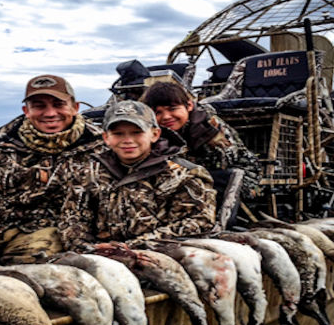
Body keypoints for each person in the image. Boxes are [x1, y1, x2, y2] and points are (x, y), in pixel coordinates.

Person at [0, 75, 104, 267]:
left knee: (34, 263)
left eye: (58, 104)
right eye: (39, 106)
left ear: (75, 108)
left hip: (52, 236)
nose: (50, 113)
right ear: (26, 111)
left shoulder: (101, 147)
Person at [58, 100, 218, 252]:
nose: (128, 140)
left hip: (163, 254)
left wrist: (131, 247)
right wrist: (86, 247)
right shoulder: (88, 172)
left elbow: (200, 222)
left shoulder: (184, 174)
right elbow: (72, 217)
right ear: (106, 138)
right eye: (118, 133)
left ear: (155, 134)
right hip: (100, 255)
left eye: (137, 132)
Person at [140, 81, 264, 204]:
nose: (166, 116)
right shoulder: (155, 131)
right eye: (158, 113)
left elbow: (224, 161)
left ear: (189, 106)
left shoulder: (208, 126)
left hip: (237, 175)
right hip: (194, 175)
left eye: (172, 109)